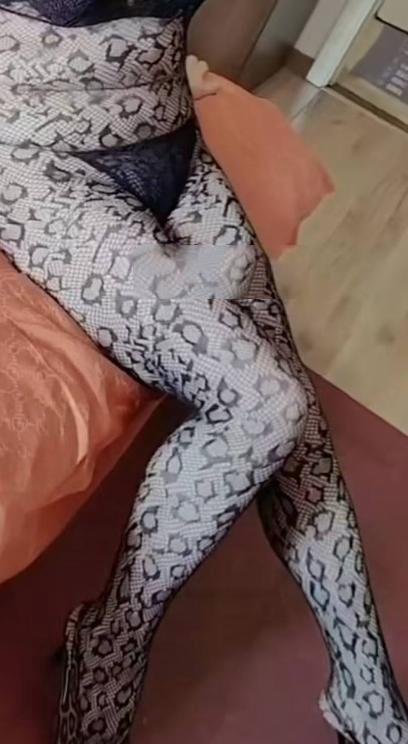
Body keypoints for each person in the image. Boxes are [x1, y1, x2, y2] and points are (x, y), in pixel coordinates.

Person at [0, 2, 406, 744]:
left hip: (172, 142)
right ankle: (113, 642)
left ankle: (365, 684)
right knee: (266, 406)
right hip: (39, 166)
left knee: (296, 423)